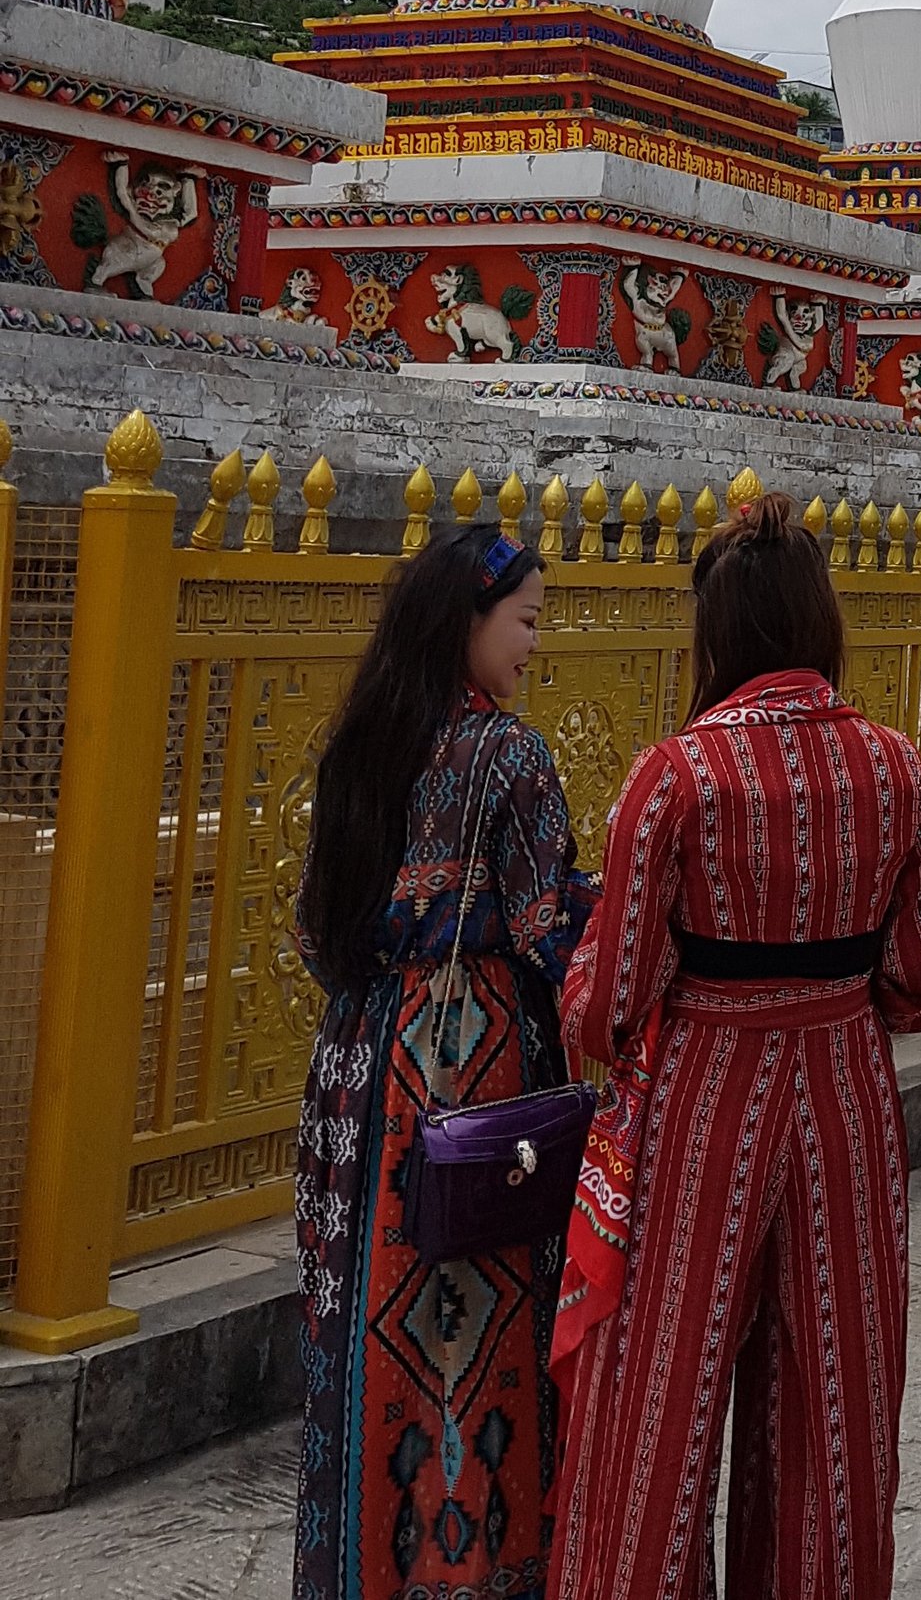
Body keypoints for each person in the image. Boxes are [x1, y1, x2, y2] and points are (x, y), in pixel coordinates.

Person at [549, 494, 921, 1600]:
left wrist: (580, 984)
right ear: (819, 621)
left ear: (717, 633)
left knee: (655, 1415)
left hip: (702, 1101)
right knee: (833, 1405)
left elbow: (609, 1002)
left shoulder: (672, 776)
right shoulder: (897, 767)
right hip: (845, 1097)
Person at [293, 526, 594, 1600]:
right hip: (469, 1083)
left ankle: (366, 1567)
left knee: (374, 1337)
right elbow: (549, 932)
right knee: (477, 1338)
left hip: (358, 1071)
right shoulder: (508, 755)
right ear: (470, 619)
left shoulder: (363, 741)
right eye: (526, 621)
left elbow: (312, 928)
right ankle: (477, 1569)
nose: (533, 645)